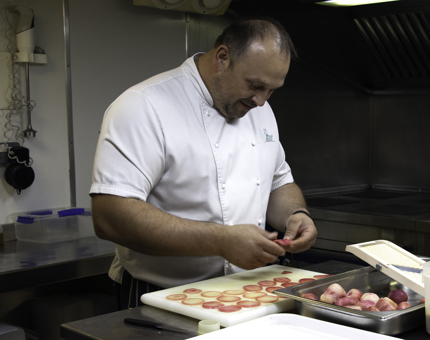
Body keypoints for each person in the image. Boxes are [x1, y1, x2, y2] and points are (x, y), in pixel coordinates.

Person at [90, 16, 317, 309]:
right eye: (255, 85)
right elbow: (110, 217)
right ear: (222, 58)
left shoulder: (260, 110)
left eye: (271, 91)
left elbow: (277, 181)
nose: (261, 101)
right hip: (160, 296)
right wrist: (221, 241)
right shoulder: (143, 106)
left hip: (245, 294)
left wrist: (296, 214)